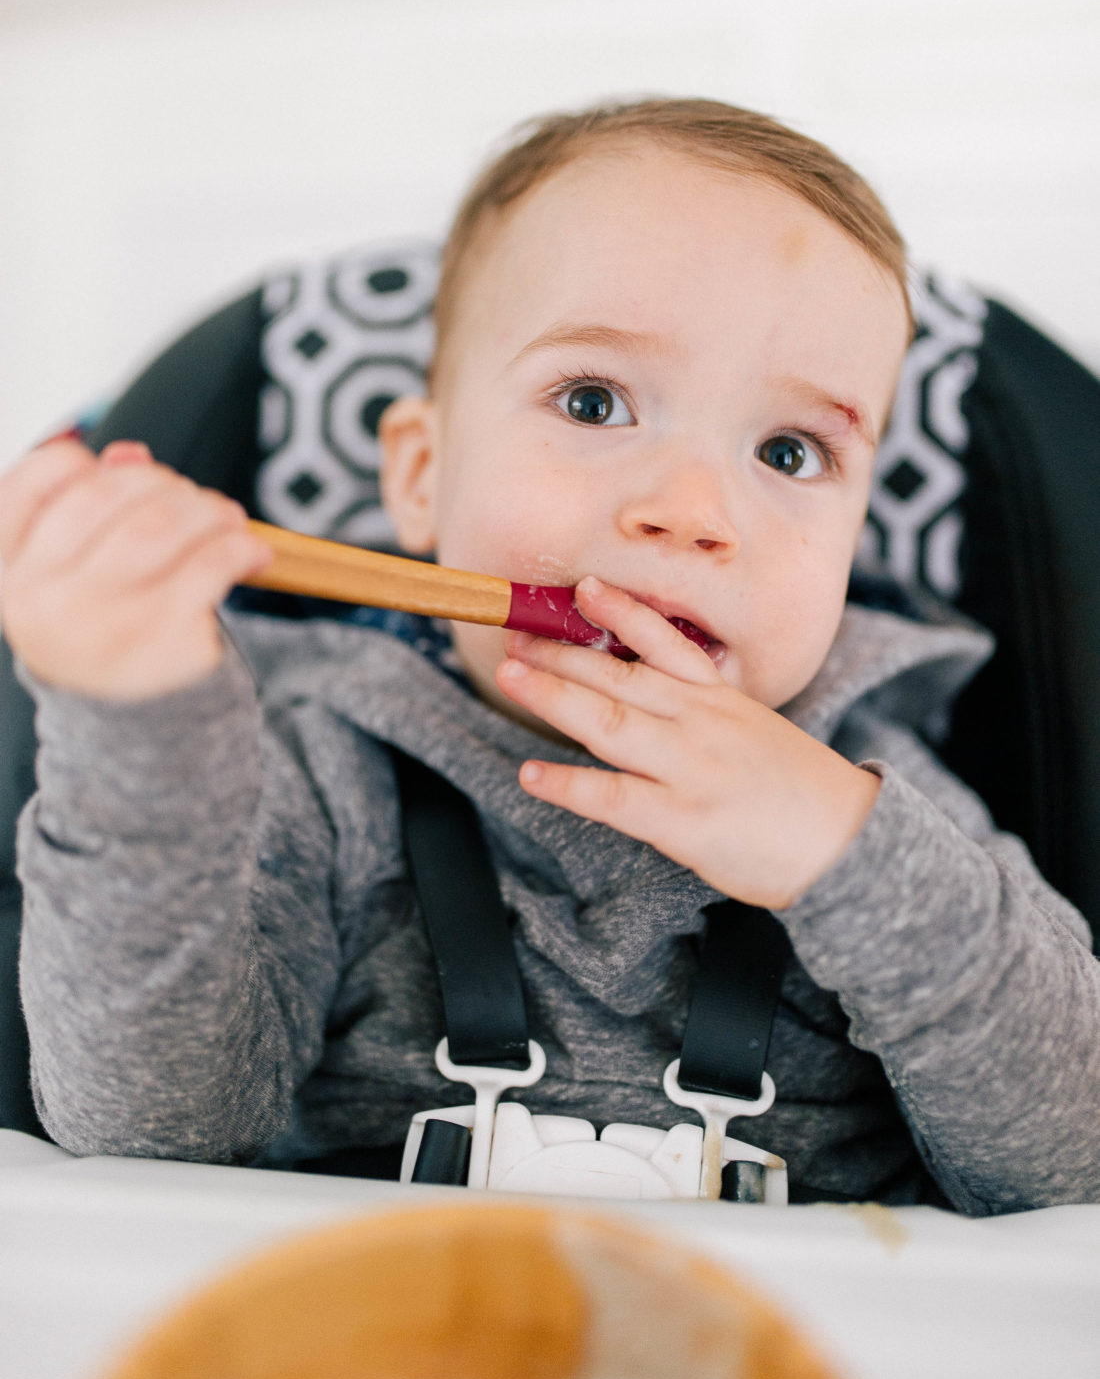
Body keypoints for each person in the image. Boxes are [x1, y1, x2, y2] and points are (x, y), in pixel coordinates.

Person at [2, 100, 1097, 1214]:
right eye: (592, 401)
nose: (691, 511)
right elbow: (151, 1131)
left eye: (788, 449)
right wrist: (135, 718)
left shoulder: (875, 788)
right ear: (422, 476)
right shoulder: (306, 760)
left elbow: (1070, 1164)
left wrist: (846, 857)